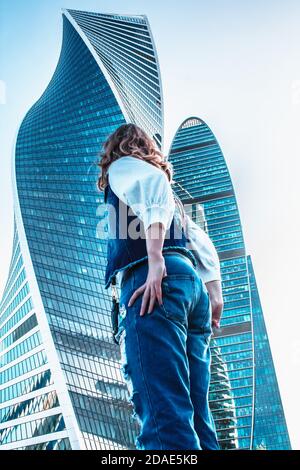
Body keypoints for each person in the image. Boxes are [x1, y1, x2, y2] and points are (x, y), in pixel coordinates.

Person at [97, 123, 223, 450]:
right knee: (196, 416)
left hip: (153, 281)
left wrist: (154, 258)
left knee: (162, 409)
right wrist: (213, 290)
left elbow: (150, 184)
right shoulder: (173, 198)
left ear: (116, 149)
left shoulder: (122, 167)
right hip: (189, 286)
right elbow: (201, 241)